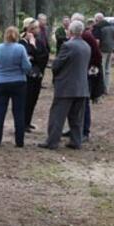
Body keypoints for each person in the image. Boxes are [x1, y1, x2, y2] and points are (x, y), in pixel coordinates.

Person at [38, 19, 91, 150]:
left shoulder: (68, 46)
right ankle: (76, 141)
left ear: (70, 31)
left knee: (57, 115)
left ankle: (52, 142)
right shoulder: (86, 46)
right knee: (76, 117)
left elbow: (57, 65)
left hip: (66, 86)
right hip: (82, 87)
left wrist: (56, 73)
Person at [0, 26, 31, 147]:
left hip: (2, 82)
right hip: (19, 82)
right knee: (18, 112)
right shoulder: (20, 48)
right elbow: (27, 67)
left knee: (0, 111)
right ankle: (19, 141)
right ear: (17, 36)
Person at [20, 17, 49, 132]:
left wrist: (35, 54)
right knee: (26, 99)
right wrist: (33, 49)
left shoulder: (39, 41)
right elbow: (27, 58)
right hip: (27, 76)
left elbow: (44, 56)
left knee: (33, 99)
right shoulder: (22, 42)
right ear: (29, 29)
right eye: (36, 27)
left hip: (38, 75)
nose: (38, 29)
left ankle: (28, 121)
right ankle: (22, 123)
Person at [81, 21, 103, 142]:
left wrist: (91, 68)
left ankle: (85, 131)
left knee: (84, 102)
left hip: (88, 75)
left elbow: (97, 56)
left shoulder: (86, 37)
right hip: (84, 73)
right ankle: (77, 128)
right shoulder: (85, 36)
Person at [92, 13, 114, 94]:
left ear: (97, 19)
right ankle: (107, 88)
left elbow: (97, 41)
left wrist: (95, 51)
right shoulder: (112, 26)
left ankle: (100, 88)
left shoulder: (98, 27)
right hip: (110, 49)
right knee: (108, 70)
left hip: (102, 50)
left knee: (101, 69)